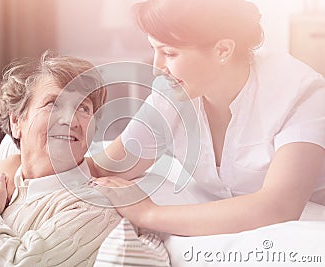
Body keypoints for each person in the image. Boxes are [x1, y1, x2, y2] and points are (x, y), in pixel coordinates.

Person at [87, 0, 325, 236]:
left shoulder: (302, 96)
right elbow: (107, 167)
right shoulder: (174, 92)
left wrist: (147, 213)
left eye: (170, 53)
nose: (157, 67)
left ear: (223, 50)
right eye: (154, 50)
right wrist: (53, 150)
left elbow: (278, 207)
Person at [0, 50, 121, 266]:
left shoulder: (91, 209)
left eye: (84, 108)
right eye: (53, 104)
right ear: (17, 122)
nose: (71, 120)